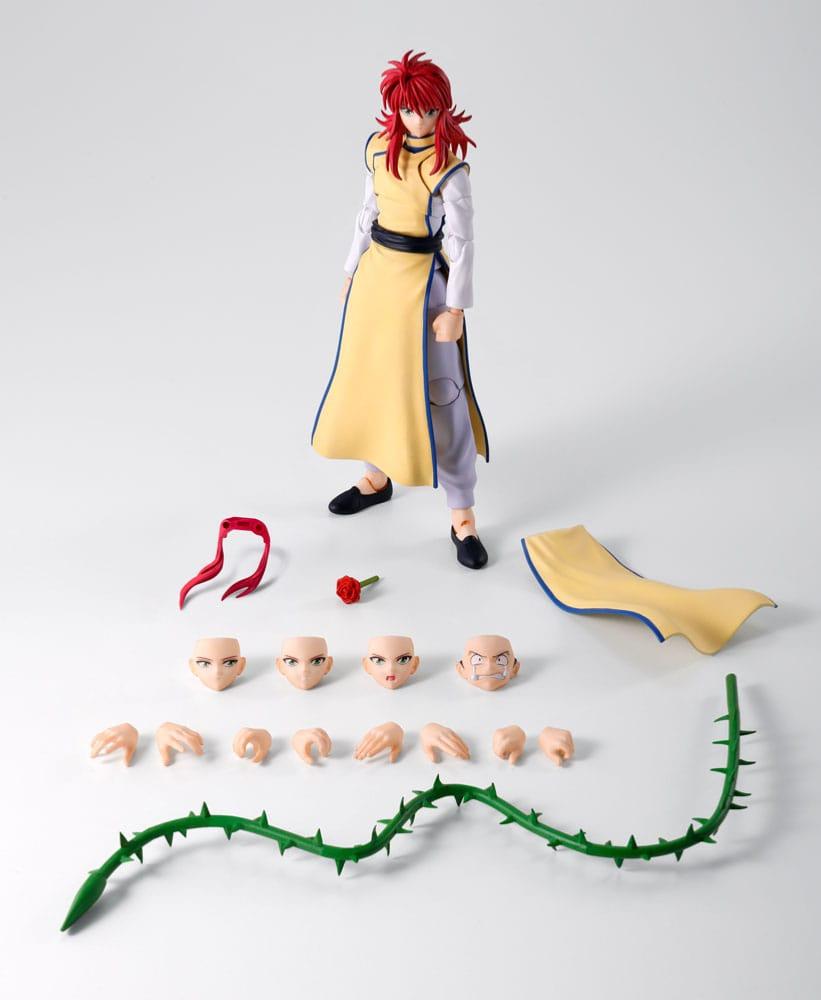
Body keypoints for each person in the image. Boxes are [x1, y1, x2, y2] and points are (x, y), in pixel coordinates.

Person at [311, 50, 489, 569]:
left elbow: (463, 243)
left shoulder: (448, 168)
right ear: (396, 107)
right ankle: (377, 475)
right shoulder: (378, 149)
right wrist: (350, 271)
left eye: (429, 110)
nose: (419, 120)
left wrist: (456, 308)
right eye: (410, 110)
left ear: (442, 109)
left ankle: (462, 512)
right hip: (377, 280)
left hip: (423, 288)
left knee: (442, 394)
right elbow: (366, 212)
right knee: (374, 381)